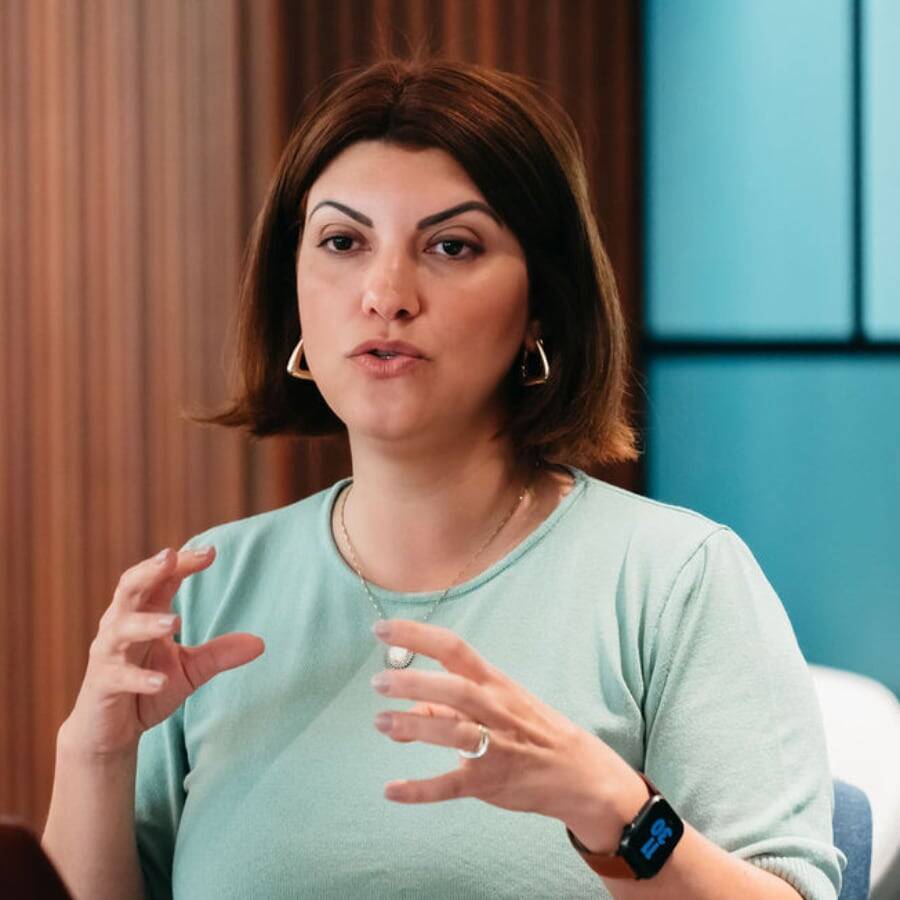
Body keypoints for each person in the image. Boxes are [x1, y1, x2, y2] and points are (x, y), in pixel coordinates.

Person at [41, 52, 846, 900]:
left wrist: (618, 813)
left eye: (453, 245)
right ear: (295, 293)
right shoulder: (208, 593)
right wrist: (94, 752)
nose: (386, 294)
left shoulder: (676, 581)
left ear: (541, 302)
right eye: (343, 243)